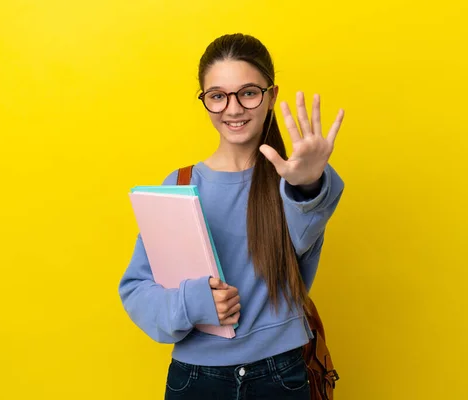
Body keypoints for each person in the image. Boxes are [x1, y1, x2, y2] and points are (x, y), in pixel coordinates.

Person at [118, 33, 345, 399]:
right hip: (196, 380)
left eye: (249, 92)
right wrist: (194, 303)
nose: (233, 108)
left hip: (281, 374)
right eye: (218, 96)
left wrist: (307, 184)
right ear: (205, 101)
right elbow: (137, 290)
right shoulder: (179, 184)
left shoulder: (292, 179)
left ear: (271, 96)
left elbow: (304, 233)